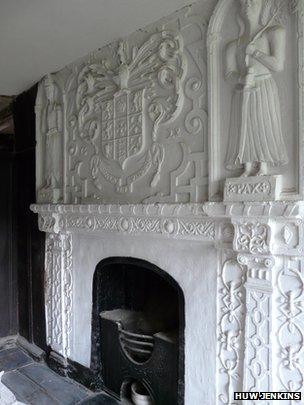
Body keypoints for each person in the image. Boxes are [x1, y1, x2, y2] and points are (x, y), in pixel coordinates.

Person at [225, 0, 288, 177]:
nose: (248, 4)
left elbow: (277, 66)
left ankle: (263, 166)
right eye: (244, 1)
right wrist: (242, 77)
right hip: (244, 89)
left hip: (264, 86)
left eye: (252, 1)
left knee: (263, 124)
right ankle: (246, 166)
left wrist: (255, 52)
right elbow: (228, 74)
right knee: (245, 126)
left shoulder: (273, 32)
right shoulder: (233, 45)